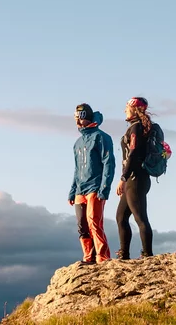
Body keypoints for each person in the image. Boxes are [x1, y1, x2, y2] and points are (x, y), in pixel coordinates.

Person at [67, 103, 114, 264]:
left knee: (94, 221)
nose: (77, 122)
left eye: (79, 118)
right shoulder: (77, 143)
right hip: (80, 189)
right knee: (82, 225)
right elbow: (77, 168)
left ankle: (102, 257)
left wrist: (104, 188)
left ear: (86, 117)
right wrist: (72, 191)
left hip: (95, 186)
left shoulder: (102, 137)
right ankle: (88, 257)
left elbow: (109, 163)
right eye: (75, 118)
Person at [115, 96, 161, 259]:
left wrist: (123, 177)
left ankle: (147, 254)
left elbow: (133, 154)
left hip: (136, 179)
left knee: (140, 218)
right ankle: (124, 253)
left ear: (134, 109)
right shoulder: (138, 128)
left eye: (126, 108)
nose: (124, 110)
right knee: (121, 217)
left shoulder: (136, 129)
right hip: (135, 179)